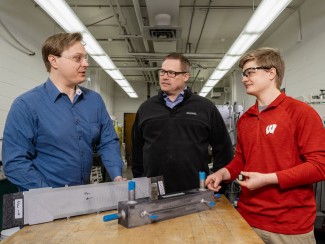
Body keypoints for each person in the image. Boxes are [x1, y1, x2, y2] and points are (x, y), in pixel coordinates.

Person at [205, 47, 325, 244]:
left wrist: (268, 179)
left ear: (271, 73)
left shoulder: (300, 113)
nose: (244, 78)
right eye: (243, 74)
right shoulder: (245, 119)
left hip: (289, 227)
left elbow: (319, 166)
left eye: (250, 72)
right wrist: (222, 174)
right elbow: (241, 160)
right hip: (247, 219)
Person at [2, 32, 124, 191]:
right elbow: (15, 162)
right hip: (41, 204)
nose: (86, 63)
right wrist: (49, 196)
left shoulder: (94, 101)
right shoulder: (26, 105)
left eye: (86, 58)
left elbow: (108, 141)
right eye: (77, 58)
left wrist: (116, 174)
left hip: (82, 197)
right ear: (54, 60)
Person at [132, 53, 233, 193]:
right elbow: (137, 151)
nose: (164, 76)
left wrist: (218, 182)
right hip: (154, 192)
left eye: (171, 73)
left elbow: (223, 149)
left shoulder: (205, 107)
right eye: (162, 71)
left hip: (196, 189)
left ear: (186, 76)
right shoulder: (146, 108)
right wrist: (140, 181)